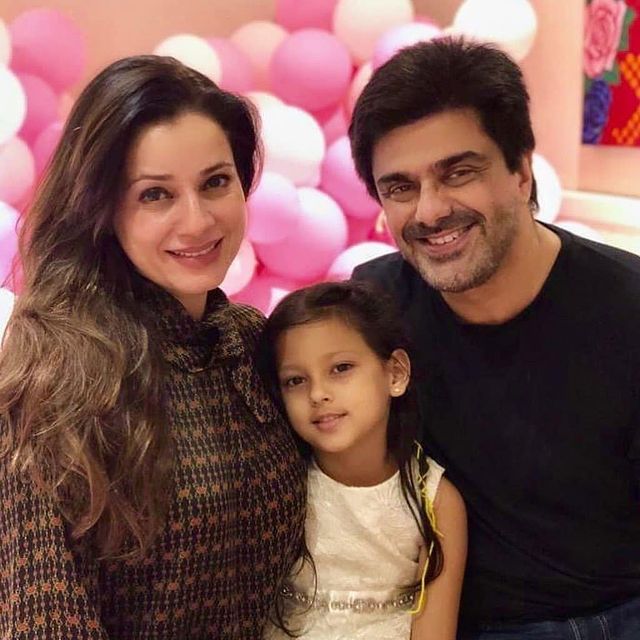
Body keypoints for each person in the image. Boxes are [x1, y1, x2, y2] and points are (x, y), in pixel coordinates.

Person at [0, 55, 306, 639]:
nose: (197, 222)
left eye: (215, 182)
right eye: (155, 195)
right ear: (102, 209)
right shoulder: (55, 379)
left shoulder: (252, 342)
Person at [348, 35, 640, 639]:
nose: (430, 211)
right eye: (400, 187)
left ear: (522, 172)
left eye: (459, 172)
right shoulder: (375, 305)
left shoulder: (627, 307)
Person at [259, 280, 467, 639]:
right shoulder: (278, 482)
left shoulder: (435, 500)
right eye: (295, 380)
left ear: (395, 373)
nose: (318, 394)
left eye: (341, 368)